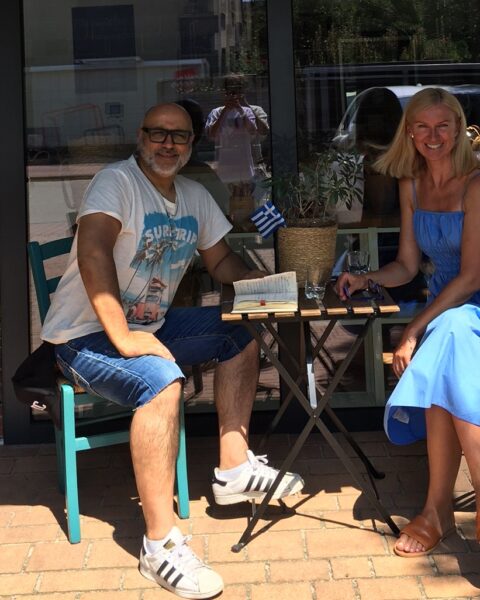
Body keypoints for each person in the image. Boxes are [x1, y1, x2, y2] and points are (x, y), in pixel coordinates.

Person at [40, 103, 304, 598]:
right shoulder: (116, 182)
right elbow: (93, 250)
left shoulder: (194, 196)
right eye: (158, 133)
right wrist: (123, 337)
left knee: (238, 332)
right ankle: (159, 545)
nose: (168, 143)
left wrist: (260, 284)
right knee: (162, 382)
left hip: (151, 326)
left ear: (190, 145)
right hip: (82, 338)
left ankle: (233, 468)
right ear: (141, 137)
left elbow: (220, 262)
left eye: (179, 136)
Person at [335, 88, 480, 557]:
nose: (433, 136)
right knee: (447, 340)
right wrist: (366, 279)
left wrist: (414, 328)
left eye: (442, 126)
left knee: (446, 337)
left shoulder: (476, 183)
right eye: (422, 127)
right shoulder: (410, 184)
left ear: (458, 129)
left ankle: (437, 509)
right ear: (410, 132)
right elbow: (407, 266)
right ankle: (443, 509)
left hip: (471, 306)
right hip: (447, 314)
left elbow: (472, 276)